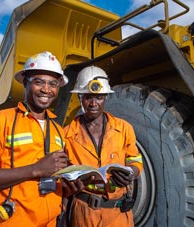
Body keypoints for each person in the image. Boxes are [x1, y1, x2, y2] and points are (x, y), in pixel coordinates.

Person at [0, 51, 71, 227]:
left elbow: (57, 172)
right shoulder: (0, 121)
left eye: (53, 83)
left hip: (50, 222)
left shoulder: (58, 130)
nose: (46, 89)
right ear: (25, 83)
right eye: (39, 82)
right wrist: (35, 169)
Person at [63, 66, 143, 227]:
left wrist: (131, 174)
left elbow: (135, 160)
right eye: (88, 97)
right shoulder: (67, 134)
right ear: (80, 97)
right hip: (83, 213)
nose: (93, 103)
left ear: (106, 97)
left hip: (118, 215)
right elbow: (62, 177)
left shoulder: (124, 128)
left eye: (98, 97)